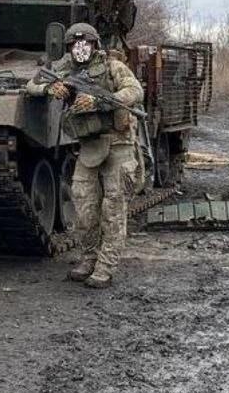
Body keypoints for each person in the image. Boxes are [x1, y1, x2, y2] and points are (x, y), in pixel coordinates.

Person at [25, 22, 144, 289]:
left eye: (85, 44)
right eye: (75, 46)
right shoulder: (66, 70)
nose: (80, 49)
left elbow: (135, 91)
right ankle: (88, 258)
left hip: (117, 144)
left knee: (112, 210)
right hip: (89, 147)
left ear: (94, 45)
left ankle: (105, 266)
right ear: (68, 48)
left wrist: (99, 101)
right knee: (84, 209)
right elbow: (31, 84)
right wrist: (48, 89)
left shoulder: (113, 67)